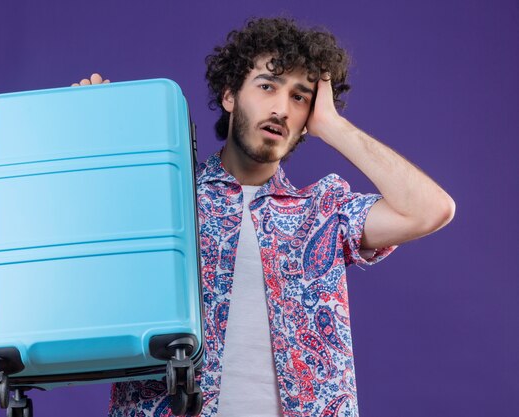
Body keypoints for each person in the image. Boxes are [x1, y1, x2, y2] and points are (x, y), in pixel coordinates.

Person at [72, 17, 455, 417]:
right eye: (268, 86)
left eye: (299, 97)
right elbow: (81, 245)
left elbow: (431, 210)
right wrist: (97, 139)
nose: (281, 108)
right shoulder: (163, 199)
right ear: (230, 95)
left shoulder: (324, 211)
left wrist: (334, 126)